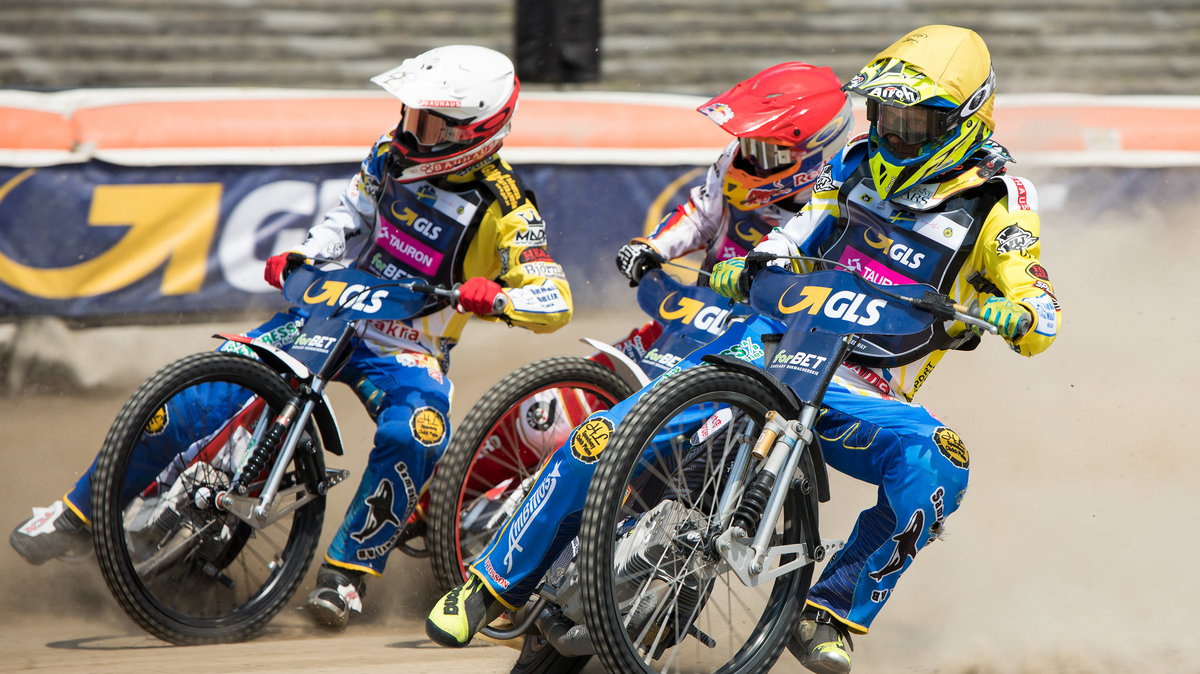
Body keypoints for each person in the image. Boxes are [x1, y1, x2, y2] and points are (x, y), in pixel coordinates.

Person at [9, 44, 574, 632]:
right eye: (409, 115)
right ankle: (78, 513)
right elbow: (348, 218)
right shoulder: (388, 155)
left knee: (417, 435)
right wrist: (308, 254)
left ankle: (347, 577)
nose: (409, 130)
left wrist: (502, 297)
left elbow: (554, 295)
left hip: (410, 344)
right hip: (332, 311)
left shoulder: (507, 206)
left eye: (427, 122)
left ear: (473, 132)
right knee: (201, 392)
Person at [424, 61, 854, 648]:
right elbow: (699, 215)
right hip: (681, 325)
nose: (751, 156)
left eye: (769, 147)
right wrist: (652, 247)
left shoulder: (841, 207)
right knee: (547, 411)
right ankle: (437, 508)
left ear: (816, 153)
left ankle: (627, 586)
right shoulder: (733, 166)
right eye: (748, 141)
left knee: (685, 473)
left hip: (760, 352)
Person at [700, 24, 1061, 673]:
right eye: (885, 114)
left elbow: (1040, 308)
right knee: (673, 408)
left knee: (939, 460)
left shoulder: (1000, 201)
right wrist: (756, 263)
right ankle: (556, 555)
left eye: (914, 123)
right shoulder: (853, 161)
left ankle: (828, 610)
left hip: (862, 394)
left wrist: (1018, 313)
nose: (893, 133)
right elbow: (797, 231)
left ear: (965, 118)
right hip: (782, 340)